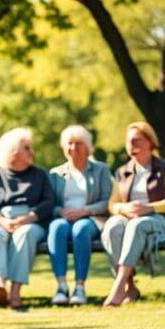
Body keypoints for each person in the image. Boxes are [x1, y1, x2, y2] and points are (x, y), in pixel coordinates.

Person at [101, 121, 165, 307]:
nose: (132, 145)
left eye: (137, 140)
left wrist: (149, 208)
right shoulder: (122, 172)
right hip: (129, 218)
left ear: (150, 142)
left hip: (159, 220)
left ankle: (118, 286)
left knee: (138, 225)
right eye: (129, 142)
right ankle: (130, 287)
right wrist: (124, 208)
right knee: (112, 226)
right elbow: (112, 204)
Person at [0, 127, 54, 310]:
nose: (32, 152)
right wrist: (2, 221)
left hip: (30, 221)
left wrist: (27, 218)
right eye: (27, 148)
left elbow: (48, 202)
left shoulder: (40, 174)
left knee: (25, 234)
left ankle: (15, 292)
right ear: (13, 152)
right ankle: (0, 285)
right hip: (2, 220)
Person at [47, 125, 112, 306]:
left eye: (78, 144)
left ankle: (79, 288)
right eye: (69, 144)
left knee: (80, 230)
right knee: (56, 227)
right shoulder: (55, 173)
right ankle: (61, 287)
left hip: (91, 219)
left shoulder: (100, 170)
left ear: (88, 147)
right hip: (65, 218)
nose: (73, 148)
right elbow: (50, 204)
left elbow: (108, 201)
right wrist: (60, 211)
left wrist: (85, 211)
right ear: (63, 147)